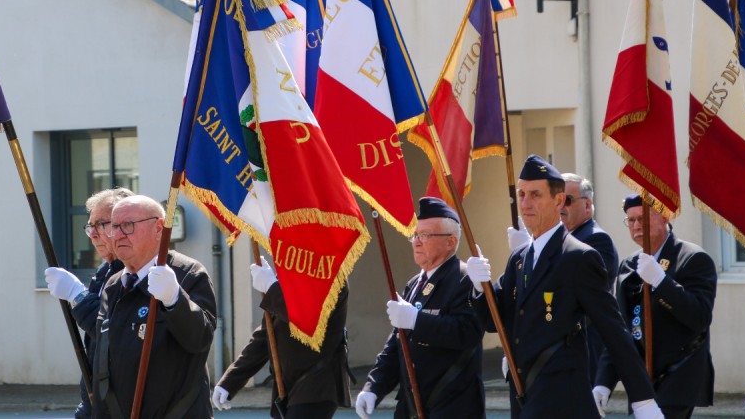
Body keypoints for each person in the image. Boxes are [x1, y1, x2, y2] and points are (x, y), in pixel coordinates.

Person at [467, 154, 661, 418]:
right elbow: (494, 322)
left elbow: (612, 328)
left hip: (561, 397)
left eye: (535, 195)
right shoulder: (520, 258)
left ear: (558, 201)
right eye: (522, 194)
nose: (525, 203)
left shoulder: (578, 257)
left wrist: (643, 399)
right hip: (524, 393)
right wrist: (480, 288)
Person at [355, 197, 485, 419]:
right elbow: (398, 344)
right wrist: (373, 387)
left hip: (452, 407)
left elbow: (467, 332)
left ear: (450, 242)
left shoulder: (465, 279)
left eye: (425, 235)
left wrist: (417, 320)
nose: (416, 242)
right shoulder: (415, 284)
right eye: (415, 235)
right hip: (412, 407)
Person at [593, 194, 717, 419]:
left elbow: (699, 316)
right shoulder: (629, 265)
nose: (637, 226)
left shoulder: (692, 258)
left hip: (677, 377)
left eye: (643, 218)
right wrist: (604, 381)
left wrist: (662, 282)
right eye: (631, 221)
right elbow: (621, 329)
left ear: (665, 217)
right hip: (641, 381)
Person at [92, 195, 216, 418]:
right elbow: (101, 360)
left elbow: (200, 338)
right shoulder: (113, 285)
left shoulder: (188, 274)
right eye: (113, 226)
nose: (118, 234)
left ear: (159, 228)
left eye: (128, 226)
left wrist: (175, 300)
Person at [212, 258, 352, 419]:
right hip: (288, 387)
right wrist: (230, 381)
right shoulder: (289, 273)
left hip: (317, 385)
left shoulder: (332, 272)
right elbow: (266, 336)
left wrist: (271, 287)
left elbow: (307, 318)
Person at [43, 187, 134, 419]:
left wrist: (77, 294)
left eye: (101, 224)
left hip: (121, 401)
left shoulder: (134, 271)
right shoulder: (105, 271)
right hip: (96, 400)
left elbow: (112, 331)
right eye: (89, 226)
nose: (93, 234)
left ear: (125, 225)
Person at [560, 173, 619, 381]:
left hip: (585, 343)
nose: (561, 207)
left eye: (567, 200)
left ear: (587, 205)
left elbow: (576, 289)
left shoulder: (595, 239)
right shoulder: (564, 239)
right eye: (557, 200)